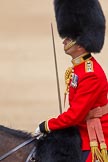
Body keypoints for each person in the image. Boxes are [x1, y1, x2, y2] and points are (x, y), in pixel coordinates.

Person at [35, 0, 108, 161]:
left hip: (94, 136)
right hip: (81, 128)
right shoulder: (80, 68)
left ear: (81, 45)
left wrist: (46, 125)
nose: (64, 41)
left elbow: (75, 115)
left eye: (69, 38)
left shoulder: (91, 74)